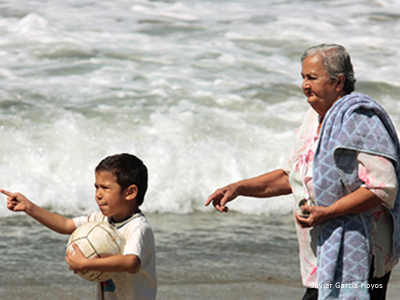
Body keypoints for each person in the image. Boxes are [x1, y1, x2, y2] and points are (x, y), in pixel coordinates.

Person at [205, 44, 400, 300]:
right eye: (303, 77)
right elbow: (291, 175)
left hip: (363, 252)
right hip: (322, 252)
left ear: (338, 81)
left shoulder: (360, 119)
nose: (305, 85)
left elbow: (382, 187)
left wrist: (328, 212)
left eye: (312, 77)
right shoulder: (312, 118)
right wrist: (239, 188)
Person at [1, 153, 157, 300]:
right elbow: (65, 224)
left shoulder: (138, 227)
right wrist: (29, 207)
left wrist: (86, 264)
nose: (98, 194)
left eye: (105, 188)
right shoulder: (100, 219)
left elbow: (131, 262)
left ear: (130, 192)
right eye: (96, 187)